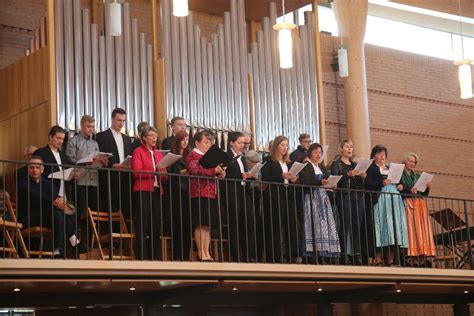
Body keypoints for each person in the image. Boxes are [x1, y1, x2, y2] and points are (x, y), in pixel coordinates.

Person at [17, 156, 78, 257]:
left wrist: (64, 203)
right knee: (57, 213)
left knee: (60, 213)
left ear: (42, 170)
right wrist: (55, 202)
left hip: (47, 217)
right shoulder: (23, 182)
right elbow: (36, 197)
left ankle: (57, 249)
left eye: (37, 167)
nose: (34, 170)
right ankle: (72, 239)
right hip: (29, 217)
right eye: (32, 167)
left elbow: (56, 197)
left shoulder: (47, 183)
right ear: (27, 169)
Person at [365, 145, 408, 266]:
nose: (382, 156)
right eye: (379, 154)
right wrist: (381, 182)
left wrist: (400, 186)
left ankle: (392, 259)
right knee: (381, 227)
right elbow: (368, 183)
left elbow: (400, 182)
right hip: (380, 200)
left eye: (383, 154)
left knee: (393, 227)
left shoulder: (390, 168)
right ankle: (378, 258)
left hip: (394, 199)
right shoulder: (371, 168)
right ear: (374, 156)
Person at [185, 131, 225, 261]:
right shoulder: (193, 155)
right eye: (205, 142)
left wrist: (220, 173)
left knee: (207, 225)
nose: (208, 145)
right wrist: (214, 171)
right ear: (197, 143)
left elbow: (212, 172)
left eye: (210, 142)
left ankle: (206, 252)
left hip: (211, 192)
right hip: (199, 192)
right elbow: (195, 170)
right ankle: (201, 252)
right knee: (201, 223)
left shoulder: (209, 156)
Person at [131, 126, 168, 260]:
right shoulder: (138, 151)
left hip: (157, 191)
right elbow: (137, 173)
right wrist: (155, 172)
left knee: (156, 225)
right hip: (143, 190)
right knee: (142, 224)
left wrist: (163, 172)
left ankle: (155, 257)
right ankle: (142, 257)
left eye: (156, 136)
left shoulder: (158, 154)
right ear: (144, 138)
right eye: (151, 135)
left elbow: (164, 177)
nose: (154, 138)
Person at [299, 143, 340, 263]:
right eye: (315, 152)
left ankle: (325, 253)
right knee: (314, 224)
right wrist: (319, 183)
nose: (318, 155)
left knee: (325, 225)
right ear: (310, 153)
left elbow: (326, 180)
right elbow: (304, 182)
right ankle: (313, 254)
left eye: (320, 152)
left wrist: (332, 184)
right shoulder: (306, 166)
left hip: (323, 198)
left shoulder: (321, 167)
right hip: (312, 198)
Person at [261, 135, 299, 263]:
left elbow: (291, 177)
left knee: (291, 225)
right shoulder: (268, 160)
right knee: (275, 226)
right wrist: (281, 176)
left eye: (287, 145)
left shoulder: (289, 163)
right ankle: (275, 256)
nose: (285, 148)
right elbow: (266, 177)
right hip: (274, 196)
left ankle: (291, 254)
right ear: (276, 146)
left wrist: (294, 179)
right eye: (282, 145)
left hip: (287, 195)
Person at [330, 140, 367, 265]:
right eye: (347, 147)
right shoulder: (336, 164)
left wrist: (362, 177)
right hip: (344, 195)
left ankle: (356, 254)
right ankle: (343, 253)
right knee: (345, 225)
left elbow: (360, 184)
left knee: (357, 225)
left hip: (357, 196)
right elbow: (336, 181)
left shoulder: (355, 164)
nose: (350, 149)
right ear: (341, 149)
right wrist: (348, 175)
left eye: (351, 147)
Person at [221, 131, 257, 262]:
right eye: (239, 142)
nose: (242, 145)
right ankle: (236, 256)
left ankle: (248, 255)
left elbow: (244, 174)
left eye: (243, 143)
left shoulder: (242, 157)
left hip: (243, 191)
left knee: (249, 221)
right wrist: (240, 176)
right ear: (231, 142)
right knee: (234, 223)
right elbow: (224, 176)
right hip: (231, 192)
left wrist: (250, 175)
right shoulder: (226, 156)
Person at [66, 115, 108, 220]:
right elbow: (69, 160)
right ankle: (78, 233)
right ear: (81, 125)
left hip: (94, 180)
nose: (91, 129)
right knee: (79, 210)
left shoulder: (95, 143)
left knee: (93, 211)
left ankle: (91, 236)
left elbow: (97, 161)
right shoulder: (73, 141)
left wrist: (102, 162)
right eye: (88, 126)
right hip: (80, 179)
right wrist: (86, 162)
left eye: (93, 127)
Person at [398, 152, 435, 266]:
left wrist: (427, 187)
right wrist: (409, 190)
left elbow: (423, 193)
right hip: (408, 203)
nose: (412, 164)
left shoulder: (417, 175)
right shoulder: (400, 173)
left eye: (414, 162)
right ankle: (412, 258)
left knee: (421, 230)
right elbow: (398, 187)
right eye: (410, 161)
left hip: (419, 204)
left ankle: (423, 257)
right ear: (405, 161)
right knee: (411, 230)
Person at [96, 108, 133, 219]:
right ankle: (111, 234)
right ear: (112, 119)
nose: (121, 123)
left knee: (125, 208)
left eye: (123, 121)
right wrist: (112, 165)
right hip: (109, 176)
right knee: (110, 208)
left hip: (125, 177)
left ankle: (122, 234)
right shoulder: (102, 136)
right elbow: (100, 155)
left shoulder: (127, 139)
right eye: (119, 120)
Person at [168, 130, 192, 261]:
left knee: (187, 224)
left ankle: (186, 255)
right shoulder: (173, 154)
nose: (185, 142)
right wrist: (184, 172)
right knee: (178, 223)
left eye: (187, 139)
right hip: (176, 190)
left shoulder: (189, 155)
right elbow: (171, 172)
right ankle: (177, 256)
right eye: (183, 139)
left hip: (187, 190)